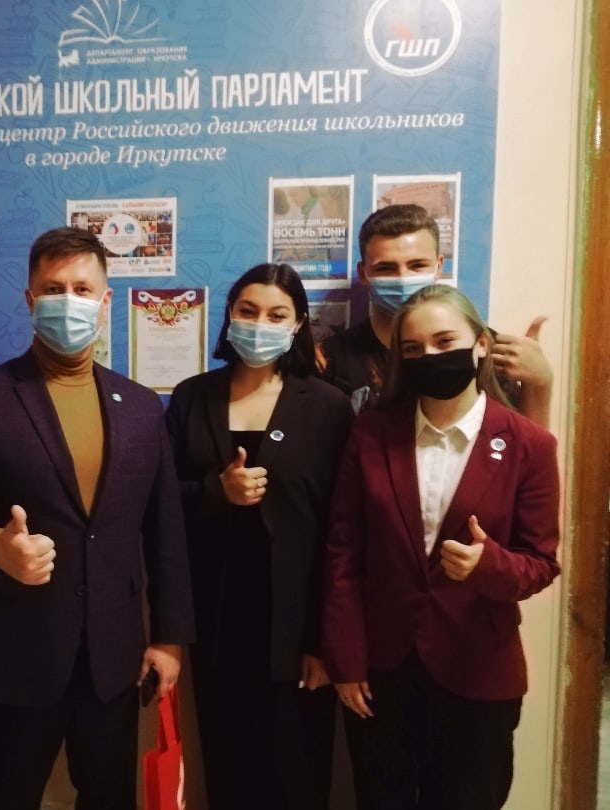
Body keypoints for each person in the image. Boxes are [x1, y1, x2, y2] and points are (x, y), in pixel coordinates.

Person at [0, 226, 195, 809]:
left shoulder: (142, 407)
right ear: (30, 299)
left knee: (109, 798)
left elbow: (165, 530)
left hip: (112, 661)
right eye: (53, 288)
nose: (68, 300)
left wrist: (169, 638)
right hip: (13, 656)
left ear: (106, 300)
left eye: (82, 289)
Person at [321, 284, 561, 810]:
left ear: (480, 344)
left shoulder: (529, 444)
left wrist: (487, 565)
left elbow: (541, 564)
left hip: (478, 673)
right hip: (382, 672)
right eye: (414, 348)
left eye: (445, 341)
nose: (430, 356)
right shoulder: (371, 434)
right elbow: (343, 554)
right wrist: (346, 660)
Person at [166, 263, 353, 809]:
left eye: (277, 315)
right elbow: (160, 501)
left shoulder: (328, 406)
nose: (259, 324)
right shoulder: (192, 397)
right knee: (229, 769)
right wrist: (215, 490)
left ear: (298, 325)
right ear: (229, 316)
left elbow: (342, 531)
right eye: (248, 311)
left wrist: (323, 641)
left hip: (296, 631)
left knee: (296, 775)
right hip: (216, 624)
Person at [321, 204, 553, 424]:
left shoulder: (484, 350)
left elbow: (525, 447)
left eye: (417, 265)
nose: (403, 279)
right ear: (363, 273)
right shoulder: (329, 360)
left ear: (439, 266)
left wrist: (539, 383)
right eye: (385, 268)